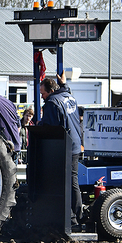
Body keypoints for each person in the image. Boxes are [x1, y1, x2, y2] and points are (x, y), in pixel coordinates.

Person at [38, 74, 83, 228]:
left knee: (65, 183)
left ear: (50, 91)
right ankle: (77, 215)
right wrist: (64, 84)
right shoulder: (69, 97)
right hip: (76, 144)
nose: (42, 97)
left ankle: (71, 218)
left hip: (64, 147)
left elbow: (50, 126)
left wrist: (39, 124)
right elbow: (65, 91)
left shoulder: (52, 102)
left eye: (43, 93)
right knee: (73, 181)